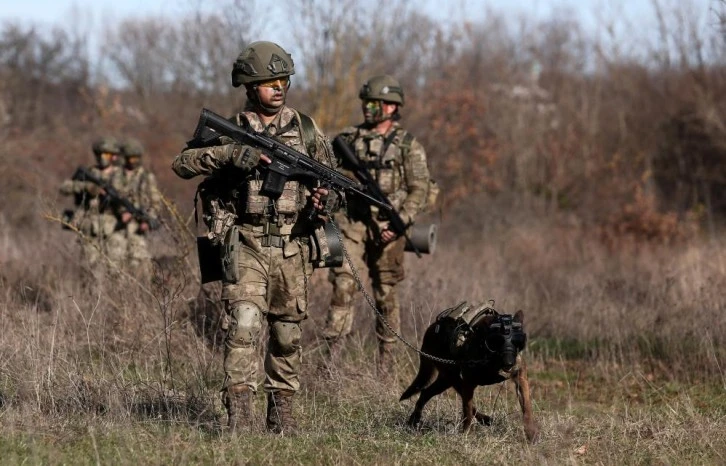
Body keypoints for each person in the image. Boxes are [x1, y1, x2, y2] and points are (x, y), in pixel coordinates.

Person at [171, 41, 337, 434]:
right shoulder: (235, 130)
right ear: (249, 86)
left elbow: (334, 185)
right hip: (245, 242)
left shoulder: (307, 130)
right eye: (268, 82)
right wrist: (231, 155)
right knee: (243, 326)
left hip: (292, 244)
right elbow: (183, 163)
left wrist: (324, 200)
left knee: (287, 334)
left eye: (283, 80)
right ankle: (239, 417)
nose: (278, 88)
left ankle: (282, 417)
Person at [321, 75, 432, 376]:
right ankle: (330, 363)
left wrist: (399, 224)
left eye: (376, 104)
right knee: (343, 284)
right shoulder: (348, 139)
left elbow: (419, 189)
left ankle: (386, 366)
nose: (369, 109)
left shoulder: (408, 145)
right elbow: (325, 174)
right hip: (352, 222)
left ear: (392, 106)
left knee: (385, 293)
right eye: (366, 103)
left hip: (389, 227)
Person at [60, 136, 126, 275]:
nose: (103, 158)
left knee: (117, 271)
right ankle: (92, 297)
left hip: (114, 227)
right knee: (90, 272)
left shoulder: (122, 175)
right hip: (89, 226)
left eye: (107, 154)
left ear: (114, 156)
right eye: (100, 154)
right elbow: (65, 187)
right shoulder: (89, 173)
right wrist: (87, 187)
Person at [114, 138, 162, 280]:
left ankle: (141, 292)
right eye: (130, 158)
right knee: (116, 263)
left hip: (138, 227)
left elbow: (155, 202)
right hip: (117, 226)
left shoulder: (146, 177)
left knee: (138, 263)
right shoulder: (117, 175)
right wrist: (122, 212)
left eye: (135, 158)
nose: (133, 161)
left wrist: (148, 220)